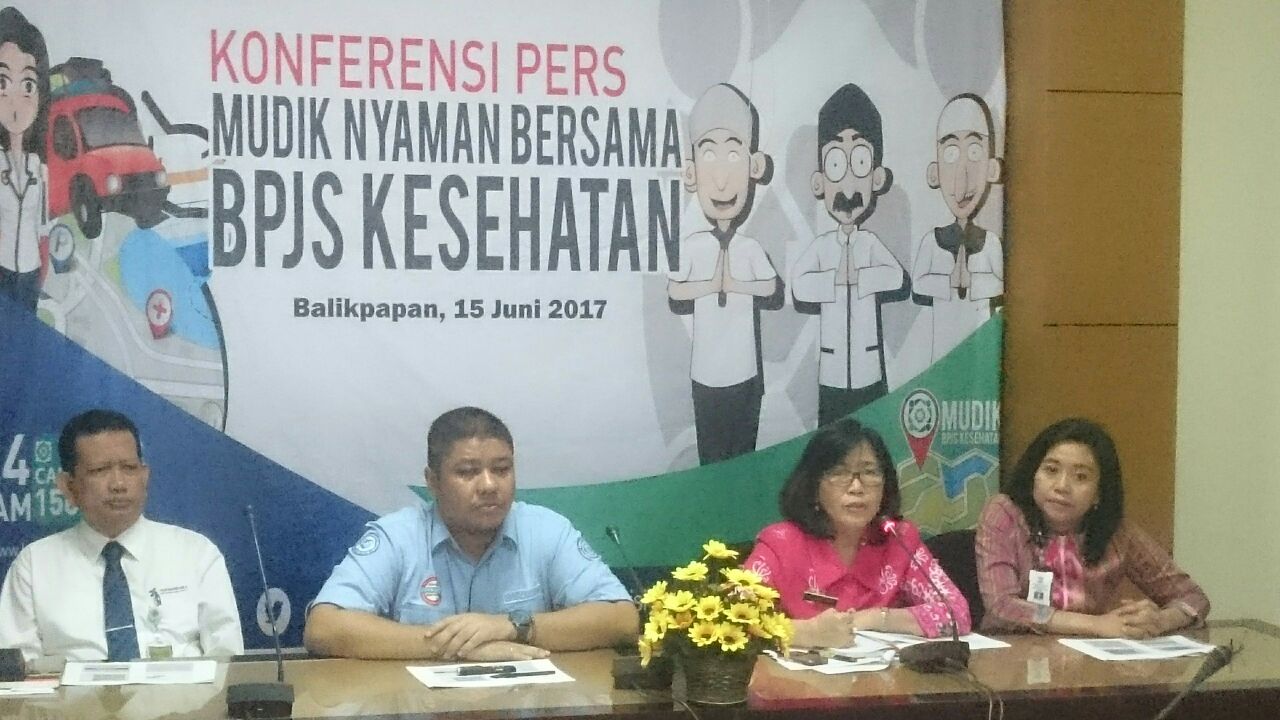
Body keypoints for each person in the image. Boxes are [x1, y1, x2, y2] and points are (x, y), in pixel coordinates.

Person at [304, 406, 638, 660]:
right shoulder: (399, 536)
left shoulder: (546, 530)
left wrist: (512, 626)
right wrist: (456, 646)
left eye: (502, 469)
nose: (489, 485)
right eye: (467, 472)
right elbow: (324, 627)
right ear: (433, 481)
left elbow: (622, 620)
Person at [0, 409, 244, 662]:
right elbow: (16, 672)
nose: (118, 484)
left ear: (145, 476)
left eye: (129, 468)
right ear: (68, 486)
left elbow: (228, 660)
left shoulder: (196, 553)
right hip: (71, 689)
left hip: (185, 688)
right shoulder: (34, 566)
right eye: (100, 470)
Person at [744, 419, 971, 648]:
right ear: (813, 486)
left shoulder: (899, 540)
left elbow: (957, 614)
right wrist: (806, 633)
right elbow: (733, 618)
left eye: (870, 472)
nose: (856, 488)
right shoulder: (781, 544)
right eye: (839, 472)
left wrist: (876, 618)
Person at [976, 418, 1209, 636]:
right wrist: (1096, 624)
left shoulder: (1116, 532)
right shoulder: (1004, 514)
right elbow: (1001, 606)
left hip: (1088, 659)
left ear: (1099, 493)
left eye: (1080, 477)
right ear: (1033, 474)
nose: (1062, 486)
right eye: (1051, 470)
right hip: (1012, 657)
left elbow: (1193, 597)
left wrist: (1160, 621)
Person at [668, 82, 783, 464]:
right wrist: (708, 285)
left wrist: (736, 284)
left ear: (754, 166)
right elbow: (675, 291)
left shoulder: (749, 248)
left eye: (733, 155)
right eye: (709, 156)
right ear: (691, 172)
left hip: (745, 372)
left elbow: (770, 287)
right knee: (711, 456)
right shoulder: (692, 246)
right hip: (705, 374)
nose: (720, 180)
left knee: (742, 456)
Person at [792, 84, 904, 426]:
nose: (849, 187)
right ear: (819, 182)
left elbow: (896, 277)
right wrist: (834, 280)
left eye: (860, 163)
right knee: (831, 437)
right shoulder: (822, 247)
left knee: (871, 433)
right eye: (836, 165)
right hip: (832, 370)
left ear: (877, 177)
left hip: (869, 368)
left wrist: (861, 278)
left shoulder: (869, 243)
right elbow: (799, 285)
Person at [911, 93, 1005, 362]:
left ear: (992, 168)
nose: (962, 176)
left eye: (974, 152)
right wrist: (948, 282)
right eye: (951, 153)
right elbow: (918, 283)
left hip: (980, 348)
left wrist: (972, 281)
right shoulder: (932, 241)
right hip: (941, 347)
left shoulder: (991, 242)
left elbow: (1001, 285)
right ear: (935, 172)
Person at [0, 6, 49, 312]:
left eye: (27, 85)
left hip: (31, 272)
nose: (15, 101)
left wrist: (43, 267)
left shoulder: (38, 167)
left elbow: (43, 225)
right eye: (3, 83)